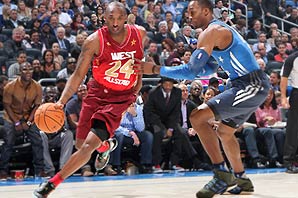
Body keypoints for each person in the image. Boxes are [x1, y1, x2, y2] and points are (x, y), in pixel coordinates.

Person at [138, 0, 270, 197]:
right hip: (242, 84)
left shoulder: (212, 32)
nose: (188, 16)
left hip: (251, 84)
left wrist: (156, 69)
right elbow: (210, 68)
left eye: (193, 11)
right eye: (187, 12)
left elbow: (192, 71)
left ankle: (221, 174)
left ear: (206, 11)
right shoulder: (212, 32)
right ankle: (242, 178)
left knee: (197, 117)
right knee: (225, 132)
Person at [33, 2, 147, 197]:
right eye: (111, 18)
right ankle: (106, 146)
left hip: (119, 98)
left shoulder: (140, 33)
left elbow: (140, 66)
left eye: (120, 18)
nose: (116, 22)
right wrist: (61, 102)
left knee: (87, 146)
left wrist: (136, 89)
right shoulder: (94, 40)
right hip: (97, 92)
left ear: (127, 18)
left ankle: (51, 184)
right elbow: (78, 75)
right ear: (104, 17)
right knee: (80, 144)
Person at [0, 62, 45, 180]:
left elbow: (37, 106)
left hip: (28, 117)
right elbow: (7, 106)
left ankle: (39, 170)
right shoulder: (10, 86)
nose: (28, 71)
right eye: (25, 69)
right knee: (8, 142)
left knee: (37, 140)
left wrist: (29, 122)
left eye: (30, 69)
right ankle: (3, 171)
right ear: (20, 72)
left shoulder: (37, 87)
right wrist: (16, 122)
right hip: (11, 117)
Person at [280, 51, 298, 173]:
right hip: (297, 93)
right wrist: (282, 97)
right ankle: (289, 160)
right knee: (293, 128)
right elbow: (284, 79)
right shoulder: (292, 58)